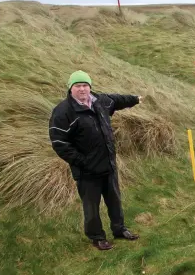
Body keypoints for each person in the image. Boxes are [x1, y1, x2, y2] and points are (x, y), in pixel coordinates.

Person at [49, 70, 142, 250]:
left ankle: (120, 229)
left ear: (90, 87)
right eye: (78, 86)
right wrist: (83, 162)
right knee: (91, 206)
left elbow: (117, 100)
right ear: (71, 88)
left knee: (115, 200)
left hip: (108, 164)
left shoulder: (100, 102)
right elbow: (60, 143)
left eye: (85, 85)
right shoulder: (63, 112)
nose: (82, 89)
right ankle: (97, 237)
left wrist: (135, 99)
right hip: (87, 171)